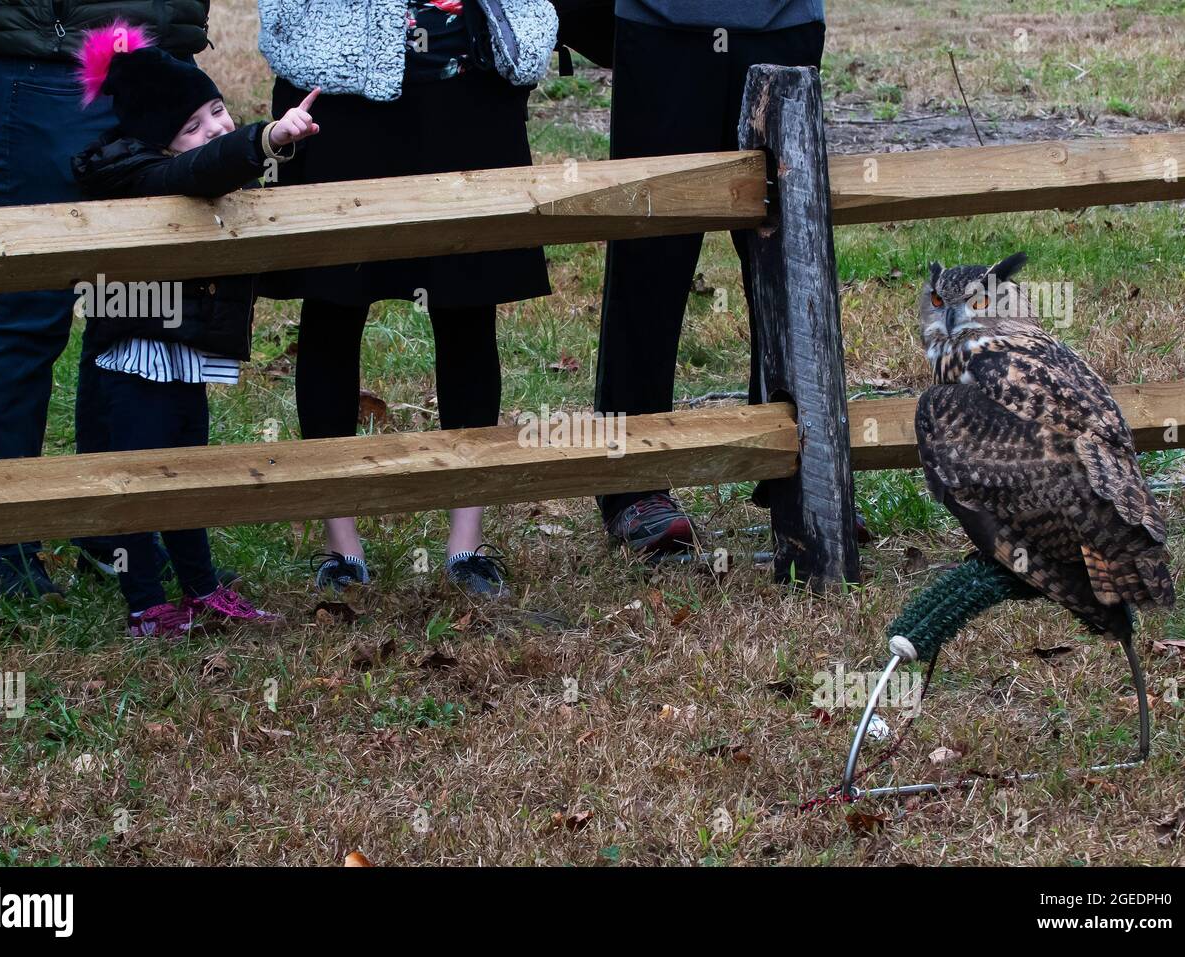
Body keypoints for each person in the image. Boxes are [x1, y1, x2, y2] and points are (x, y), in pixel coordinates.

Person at [258, 0, 558, 597]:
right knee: (332, 310)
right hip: (338, 101)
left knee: (469, 312)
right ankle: (341, 549)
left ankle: (466, 548)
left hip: (471, 94)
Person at [70, 22, 318, 637]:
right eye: (192, 126)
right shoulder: (138, 175)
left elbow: (211, 166)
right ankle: (145, 603)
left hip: (181, 355)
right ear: (159, 142)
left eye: (217, 111)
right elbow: (201, 169)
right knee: (142, 484)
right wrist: (264, 137)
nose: (214, 129)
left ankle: (203, 589)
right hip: (134, 363)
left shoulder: (187, 167)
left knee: (190, 474)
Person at [0, 0, 214, 599]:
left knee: (133, 312)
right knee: (32, 312)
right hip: (53, 67)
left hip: (158, 61)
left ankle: (114, 533)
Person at [593, 0, 826, 553]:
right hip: (660, 25)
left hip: (783, 22)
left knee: (792, 255)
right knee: (650, 257)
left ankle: (801, 476)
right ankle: (634, 484)